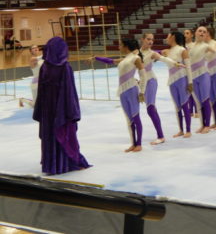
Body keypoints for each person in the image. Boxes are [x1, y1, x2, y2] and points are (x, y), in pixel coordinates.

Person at [32, 37, 90, 175]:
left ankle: (50, 164)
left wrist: (40, 110)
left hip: (48, 108)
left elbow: (41, 91)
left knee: (50, 135)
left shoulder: (44, 67)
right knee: (65, 132)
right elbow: (69, 92)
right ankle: (68, 162)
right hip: (62, 108)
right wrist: (73, 111)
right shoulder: (65, 67)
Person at [93, 39, 147, 152]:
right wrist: (96, 57)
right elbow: (110, 61)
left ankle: (139, 144)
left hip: (132, 90)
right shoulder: (125, 59)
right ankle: (133, 143)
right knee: (129, 119)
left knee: (136, 117)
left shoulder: (135, 58)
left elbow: (143, 76)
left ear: (126, 46)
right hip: (122, 91)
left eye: (120, 45)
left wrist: (142, 92)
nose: (119, 47)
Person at [140, 33, 180, 145]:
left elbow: (164, 59)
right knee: (150, 109)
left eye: (152, 40)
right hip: (142, 81)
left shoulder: (152, 54)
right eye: (148, 39)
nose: (150, 41)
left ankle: (161, 136)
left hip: (151, 80)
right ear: (142, 39)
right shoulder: (137, 53)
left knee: (151, 108)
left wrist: (176, 64)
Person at [188, 26, 216, 134]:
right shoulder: (195, 46)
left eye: (205, 32)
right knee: (211, 99)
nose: (203, 33)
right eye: (200, 31)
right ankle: (214, 122)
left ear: (208, 34)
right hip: (207, 72)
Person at [163, 31, 193, 138]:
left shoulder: (182, 50)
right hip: (172, 80)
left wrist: (190, 82)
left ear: (173, 37)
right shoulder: (168, 51)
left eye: (168, 35)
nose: (166, 38)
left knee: (185, 104)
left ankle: (188, 130)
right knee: (177, 106)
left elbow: (188, 67)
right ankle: (181, 129)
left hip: (182, 79)